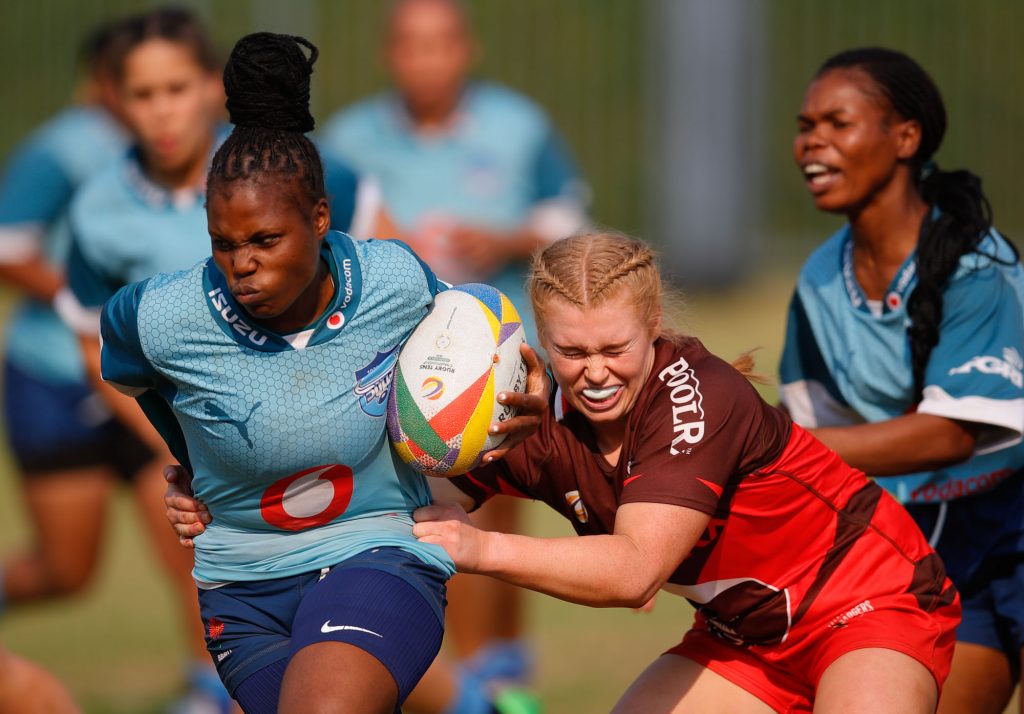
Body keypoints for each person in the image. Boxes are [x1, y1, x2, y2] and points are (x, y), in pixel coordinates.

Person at [171, 230, 963, 712]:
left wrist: (477, 548)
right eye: (572, 352)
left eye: (616, 349)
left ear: (654, 327)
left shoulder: (697, 394)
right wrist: (229, 499)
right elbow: (408, 499)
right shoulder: (526, 419)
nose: (595, 373)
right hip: (748, 641)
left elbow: (632, 572)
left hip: (871, 607)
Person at [100, 31, 545, 714]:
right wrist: (190, 459)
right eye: (224, 244)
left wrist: (520, 404)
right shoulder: (157, 317)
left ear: (320, 218)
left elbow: (472, 339)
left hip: (378, 552)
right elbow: (136, 380)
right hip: (239, 588)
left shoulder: (394, 280)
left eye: (265, 241)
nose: (242, 263)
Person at [321, 2, 588, 702]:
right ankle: (464, 678)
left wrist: (499, 240)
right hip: (390, 360)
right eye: (412, 45)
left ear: (465, 49)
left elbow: (567, 213)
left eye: (441, 44)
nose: (427, 60)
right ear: (390, 53)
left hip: (495, 355)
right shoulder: (351, 137)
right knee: (415, 515)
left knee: (492, 504)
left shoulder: (517, 124)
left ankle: (494, 670)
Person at [779, 48, 1024, 714]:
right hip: (931, 544)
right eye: (806, 126)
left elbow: (949, 434)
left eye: (838, 122)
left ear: (906, 139)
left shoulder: (977, 263)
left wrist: (781, 445)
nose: (812, 143)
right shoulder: (819, 278)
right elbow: (805, 437)